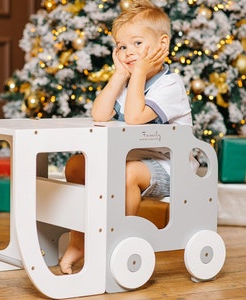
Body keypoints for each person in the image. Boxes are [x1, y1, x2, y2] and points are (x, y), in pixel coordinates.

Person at [59, 0, 192, 274]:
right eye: (121, 46)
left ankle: (120, 243)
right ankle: (80, 239)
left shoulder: (169, 85)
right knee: (76, 165)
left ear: (162, 45)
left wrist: (139, 73)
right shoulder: (129, 82)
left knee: (128, 173)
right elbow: (100, 113)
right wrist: (120, 75)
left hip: (173, 167)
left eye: (137, 44)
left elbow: (133, 117)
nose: (128, 53)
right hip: (133, 161)